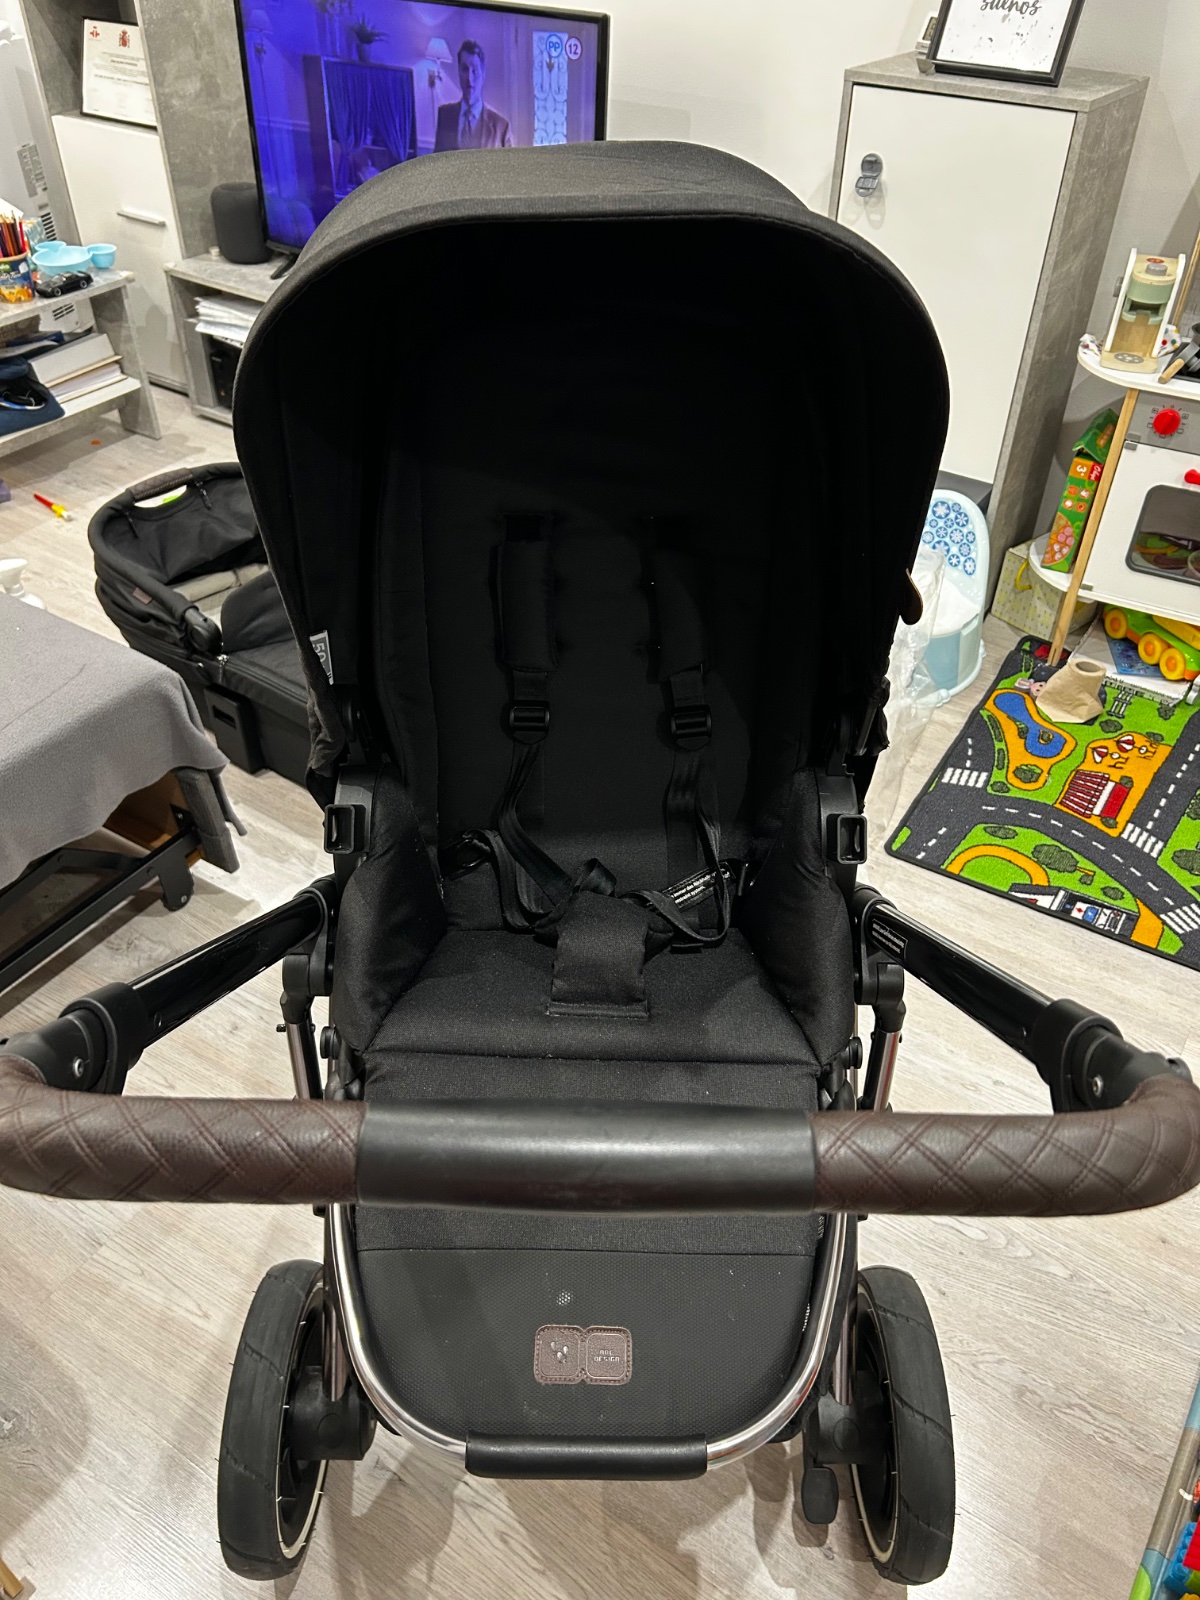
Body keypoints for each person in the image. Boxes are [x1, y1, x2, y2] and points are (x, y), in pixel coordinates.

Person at [434, 40, 512, 151]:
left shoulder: (501, 127)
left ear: (483, 74)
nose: (469, 78)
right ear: (458, 72)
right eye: (465, 69)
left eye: (474, 70)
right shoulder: (445, 116)